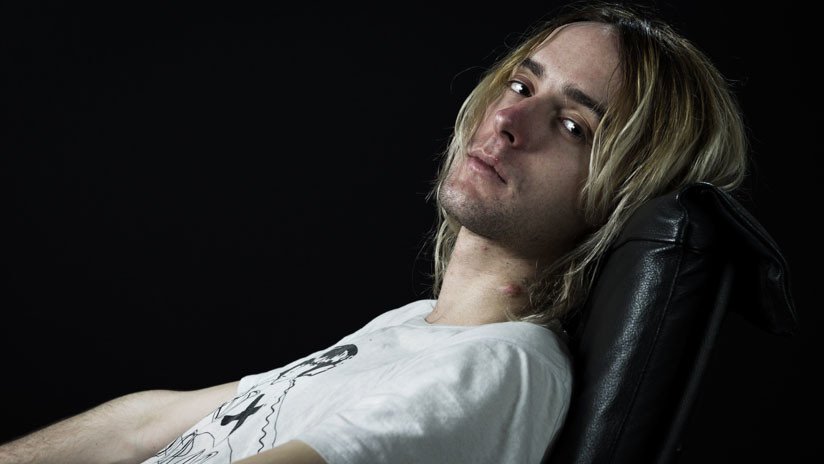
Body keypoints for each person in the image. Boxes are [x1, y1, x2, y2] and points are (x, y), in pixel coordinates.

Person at [0, 1, 749, 463]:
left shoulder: (498, 369)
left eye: (573, 124)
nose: (508, 119)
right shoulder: (415, 331)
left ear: (618, 192)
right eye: (521, 85)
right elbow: (148, 422)